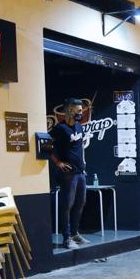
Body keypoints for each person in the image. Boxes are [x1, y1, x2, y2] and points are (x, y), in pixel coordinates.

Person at [49, 98, 90, 250]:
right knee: (67, 204)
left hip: (80, 172)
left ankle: (74, 233)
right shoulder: (60, 128)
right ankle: (66, 238)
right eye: (78, 111)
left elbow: (79, 149)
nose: (81, 113)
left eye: (82, 110)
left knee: (80, 203)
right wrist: (57, 162)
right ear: (69, 111)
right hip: (68, 173)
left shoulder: (79, 127)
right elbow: (47, 145)